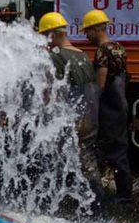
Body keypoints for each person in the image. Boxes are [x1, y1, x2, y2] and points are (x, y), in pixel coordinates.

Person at [39, 12, 103, 209]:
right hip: (90, 116)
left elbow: (52, 92)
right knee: (87, 159)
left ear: (53, 34)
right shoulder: (82, 54)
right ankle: (97, 201)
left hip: (70, 118)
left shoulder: (56, 56)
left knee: (59, 159)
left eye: (45, 35)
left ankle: (63, 203)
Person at [82, 9, 133, 204]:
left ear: (96, 29)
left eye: (88, 31)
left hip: (109, 108)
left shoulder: (103, 51)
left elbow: (101, 85)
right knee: (120, 148)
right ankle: (124, 190)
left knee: (109, 151)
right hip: (121, 105)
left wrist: (89, 107)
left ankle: (121, 195)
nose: (86, 36)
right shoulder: (119, 47)